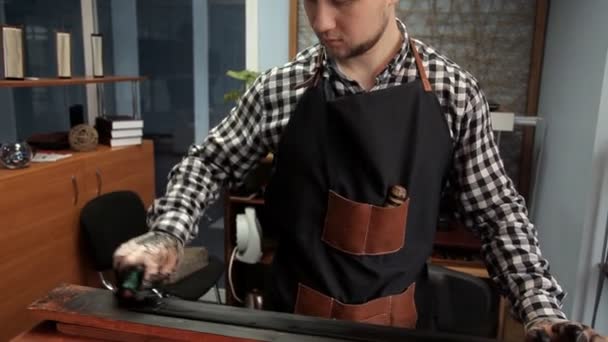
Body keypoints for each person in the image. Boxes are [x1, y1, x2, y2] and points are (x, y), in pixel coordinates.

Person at [113, 0, 606, 340]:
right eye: (310, 1)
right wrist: (168, 235)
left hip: (402, 329)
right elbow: (209, 162)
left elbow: (498, 215)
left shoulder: (455, 94)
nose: (321, 22)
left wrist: (540, 310)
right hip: (292, 327)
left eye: (341, 1)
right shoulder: (281, 89)